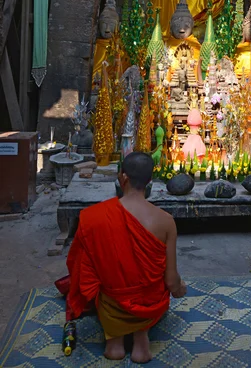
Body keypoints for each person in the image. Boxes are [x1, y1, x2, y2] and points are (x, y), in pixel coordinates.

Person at [64, 152, 186, 363]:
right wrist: (179, 289)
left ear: (123, 177)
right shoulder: (166, 221)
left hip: (113, 303)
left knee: (111, 294)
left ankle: (115, 343)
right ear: (150, 181)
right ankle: (141, 340)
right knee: (148, 293)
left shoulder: (95, 217)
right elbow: (170, 280)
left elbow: (82, 268)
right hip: (150, 305)